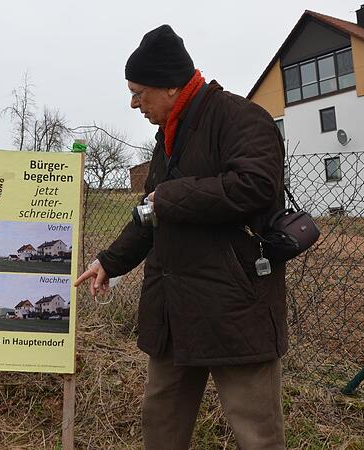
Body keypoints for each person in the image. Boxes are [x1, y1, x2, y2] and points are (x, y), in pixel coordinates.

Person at [74, 25, 287, 449]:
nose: (134, 103)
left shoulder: (240, 118)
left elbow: (257, 185)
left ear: (171, 85)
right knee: (162, 426)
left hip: (234, 309)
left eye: (139, 92)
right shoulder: (167, 138)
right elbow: (148, 214)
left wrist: (170, 197)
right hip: (173, 311)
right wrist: (109, 261)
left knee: (256, 434)